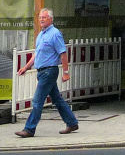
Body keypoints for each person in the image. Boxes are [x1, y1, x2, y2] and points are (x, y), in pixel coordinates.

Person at [15, 8, 80, 137]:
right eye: (40, 18)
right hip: (42, 71)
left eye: (44, 17)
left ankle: (29, 129)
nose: (41, 20)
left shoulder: (55, 34)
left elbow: (63, 54)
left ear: (50, 19)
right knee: (57, 99)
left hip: (49, 71)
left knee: (37, 101)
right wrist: (26, 67)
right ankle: (72, 123)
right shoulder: (41, 34)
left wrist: (66, 72)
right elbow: (36, 54)